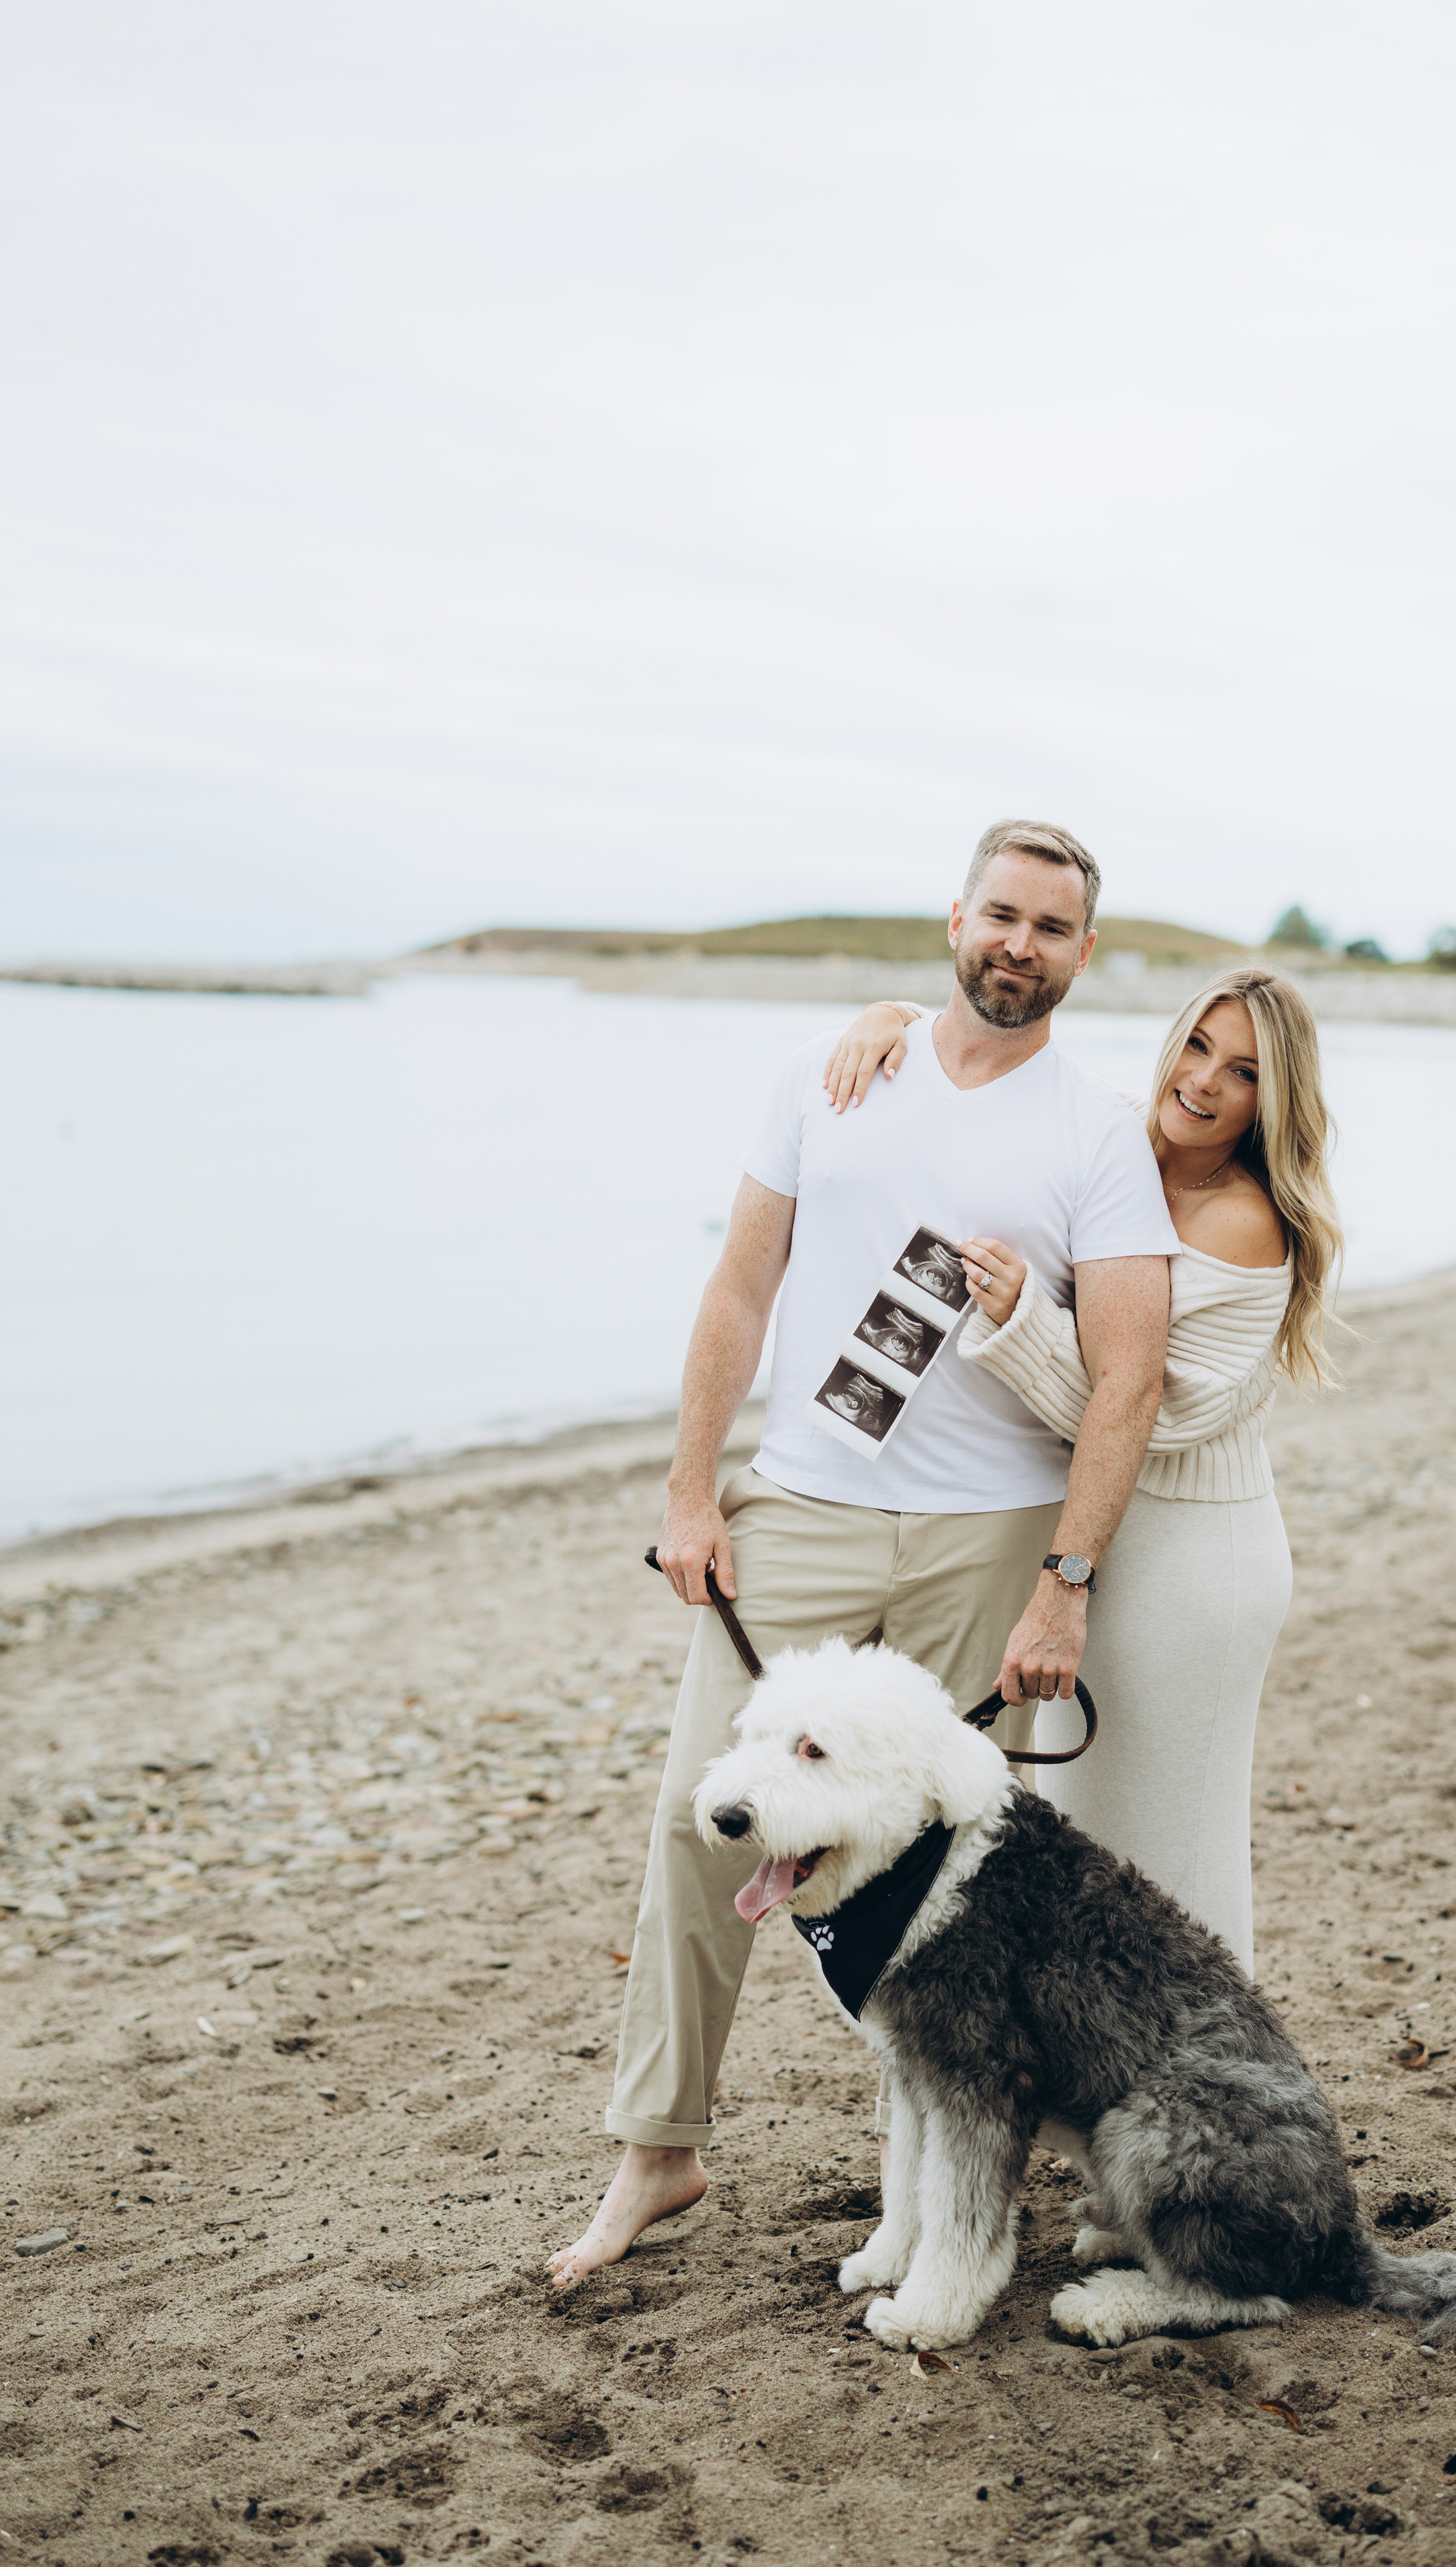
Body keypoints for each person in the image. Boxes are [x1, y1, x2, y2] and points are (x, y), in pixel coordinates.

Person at [546, 820, 1179, 2288]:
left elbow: (1130, 1377)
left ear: (1085, 954)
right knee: (700, 1824)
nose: (1019, 944)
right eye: (1001, 914)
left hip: (989, 1536)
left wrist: (1065, 1585)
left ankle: (935, 2190)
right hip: (801, 1508)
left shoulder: (1096, 1133)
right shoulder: (831, 1075)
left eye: (1052, 927)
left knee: (947, 1880)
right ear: (955, 919)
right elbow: (739, 1286)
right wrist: (691, 1491)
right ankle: (659, 2149)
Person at [819, 966, 1342, 1973]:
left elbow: (1151, 1411)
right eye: (1198, 1047)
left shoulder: (1240, 1219)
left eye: (1243, 1073)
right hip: (1099, 1535)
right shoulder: (1113, 1137)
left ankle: (1212, 2056)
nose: (1204, 1082)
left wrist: (1020, 1321)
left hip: (1192, 1557)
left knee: (1172, 1854)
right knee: (1087, 1847)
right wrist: (896, 1020)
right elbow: (999, 1061)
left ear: (1272, 1100)